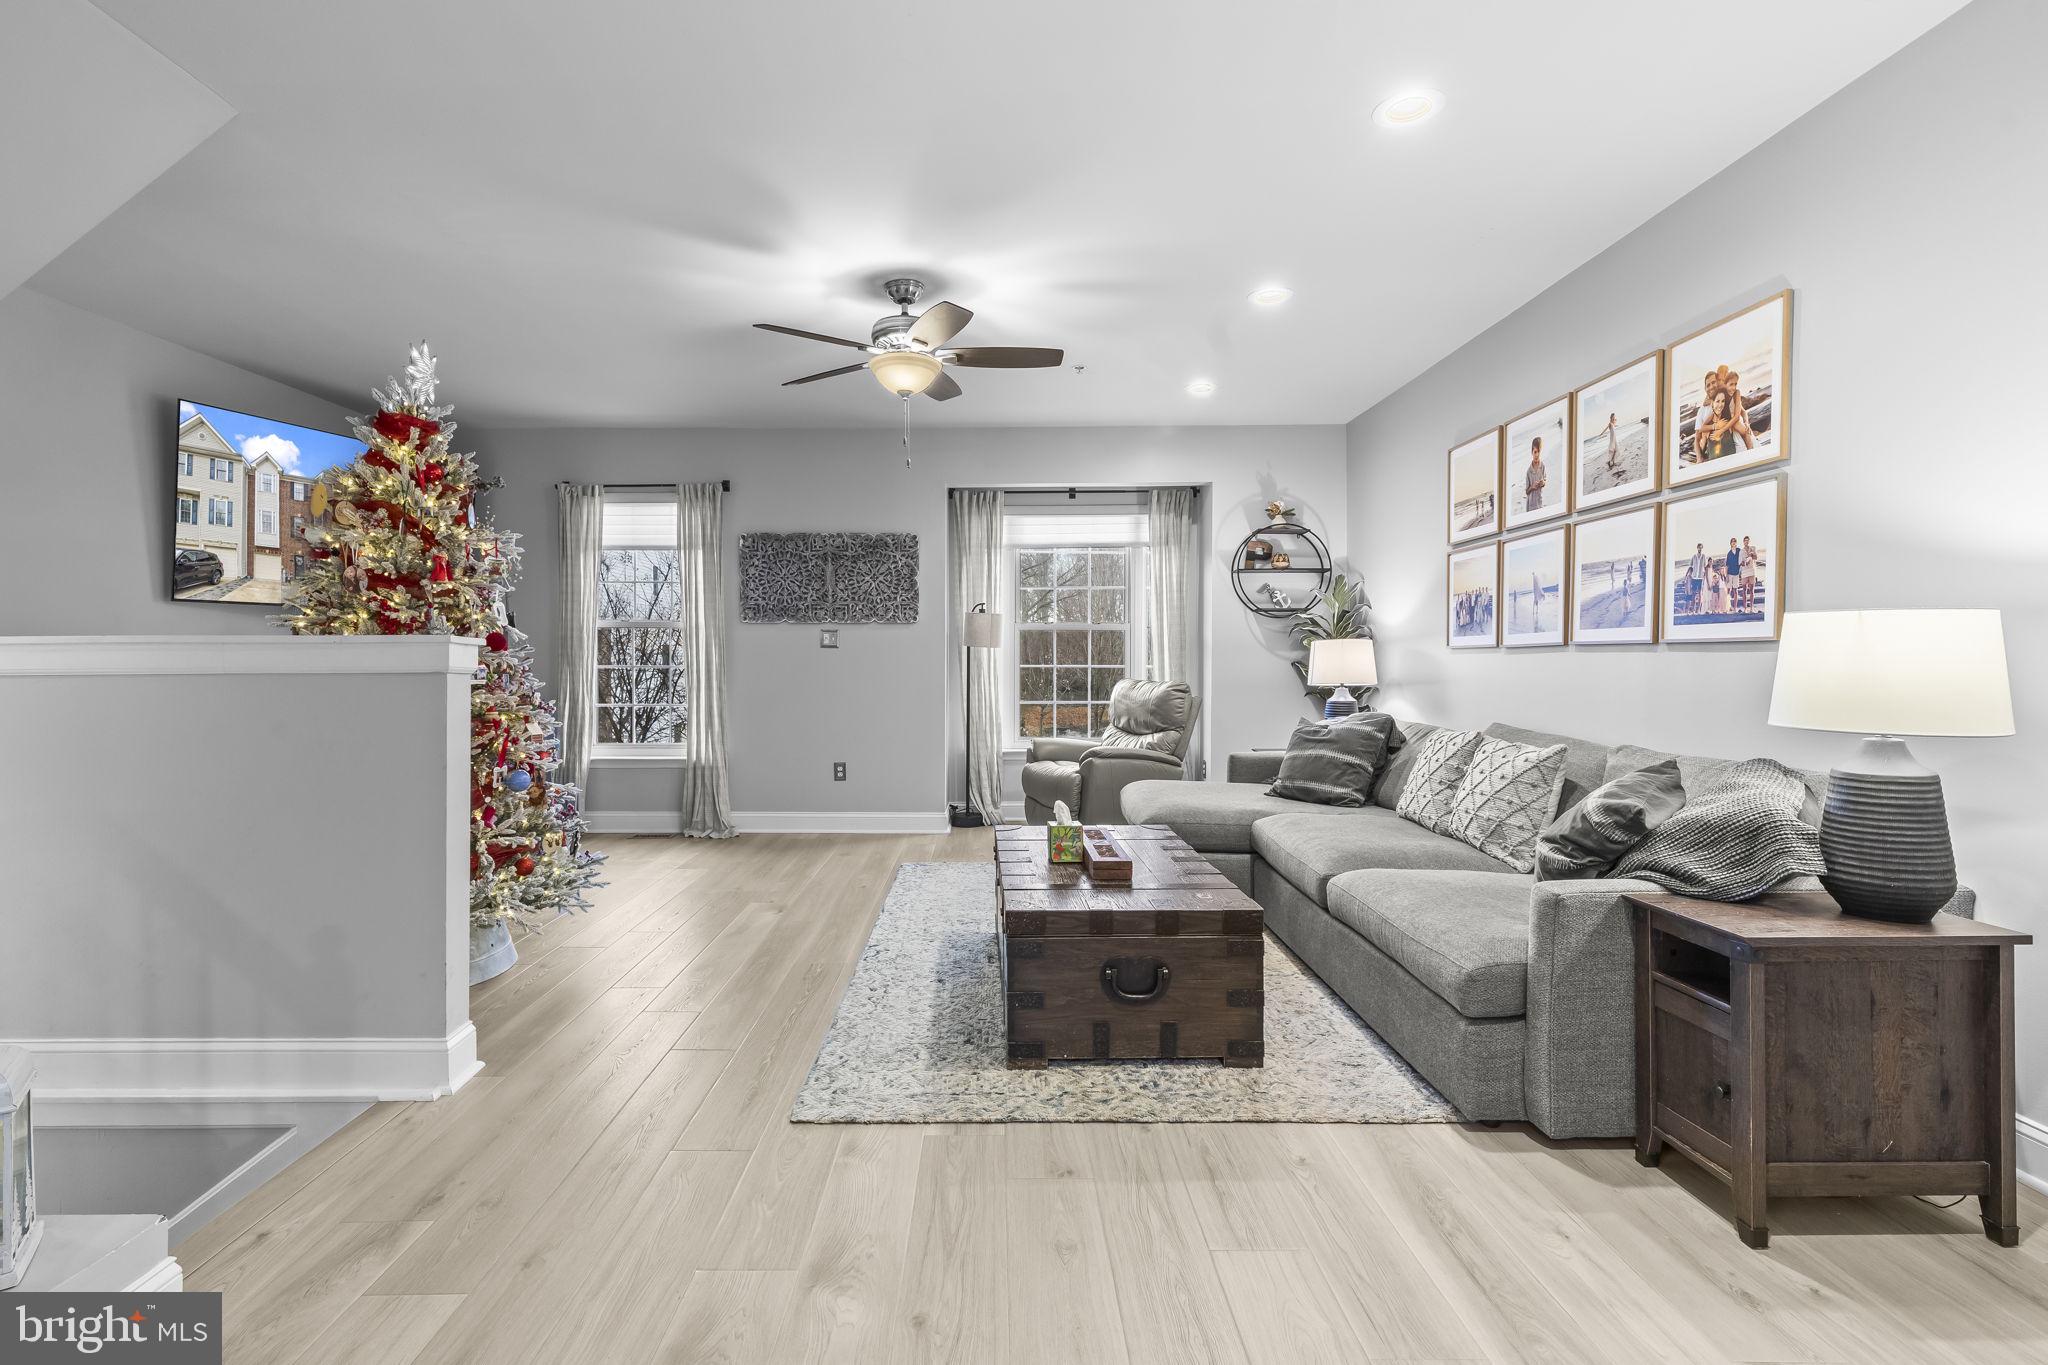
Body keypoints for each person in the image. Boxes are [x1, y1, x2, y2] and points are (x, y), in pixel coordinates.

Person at [1524, 437, 1547, 513]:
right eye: (1535, 452)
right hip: (1531, 505)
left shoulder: (1542, 466)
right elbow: (1527, 491)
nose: (1537, 455)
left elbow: (1545, 481)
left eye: (1539, 452)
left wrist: (1543, 483)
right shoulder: (1528, 471)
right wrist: (1532, 487)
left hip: (1540, 502)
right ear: (1532, 452)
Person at [1739, 535, 1761, 613]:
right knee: (1744, 590)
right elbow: (1740, 563)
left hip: (1752, 571)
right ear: (1743, 542)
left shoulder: (1753, 548)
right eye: (1745, 540)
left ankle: (1751, 608)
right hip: (1744, 572)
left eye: (1747, 540)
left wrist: (1751, 554)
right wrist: (1744, 562)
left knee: (1752, 590)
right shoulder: (1741, 551)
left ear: (1749, 541)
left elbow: (1756, 558)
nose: (1746, 542)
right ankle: (1745, 608)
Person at [1687, 542, 1708, 615]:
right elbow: (1690, 566)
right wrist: (1687, 575)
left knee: (1699, 593)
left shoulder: (1704, 556)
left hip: (1700, 578)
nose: (1700, 548)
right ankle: (1692, 610)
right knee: (1693, 594)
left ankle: (1698, 610)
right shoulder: (1694, 556)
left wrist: (1705, 576)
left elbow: (1705, 567)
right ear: (1697, 548)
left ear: (1702, 548)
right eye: (1699, 547)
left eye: (1701, 547)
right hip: (1694, 578)